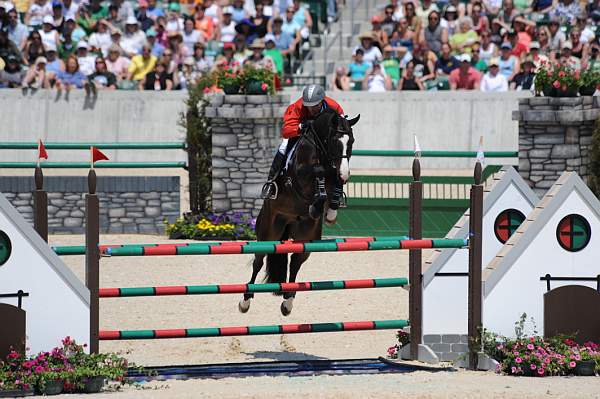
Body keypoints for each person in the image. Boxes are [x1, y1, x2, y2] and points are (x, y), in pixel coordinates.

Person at [260, 84, 344, 200]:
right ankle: (271, 182)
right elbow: (286, 131)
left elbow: (342, 123)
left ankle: (338, 185)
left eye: (315, 105)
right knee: (283, 146)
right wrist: (301, 126)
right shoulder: (297, 107)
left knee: (339, 148)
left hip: (323, 136)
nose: (312, 109)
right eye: (309, 106)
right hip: (301, 134)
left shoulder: (333, 106)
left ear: (322, 101)